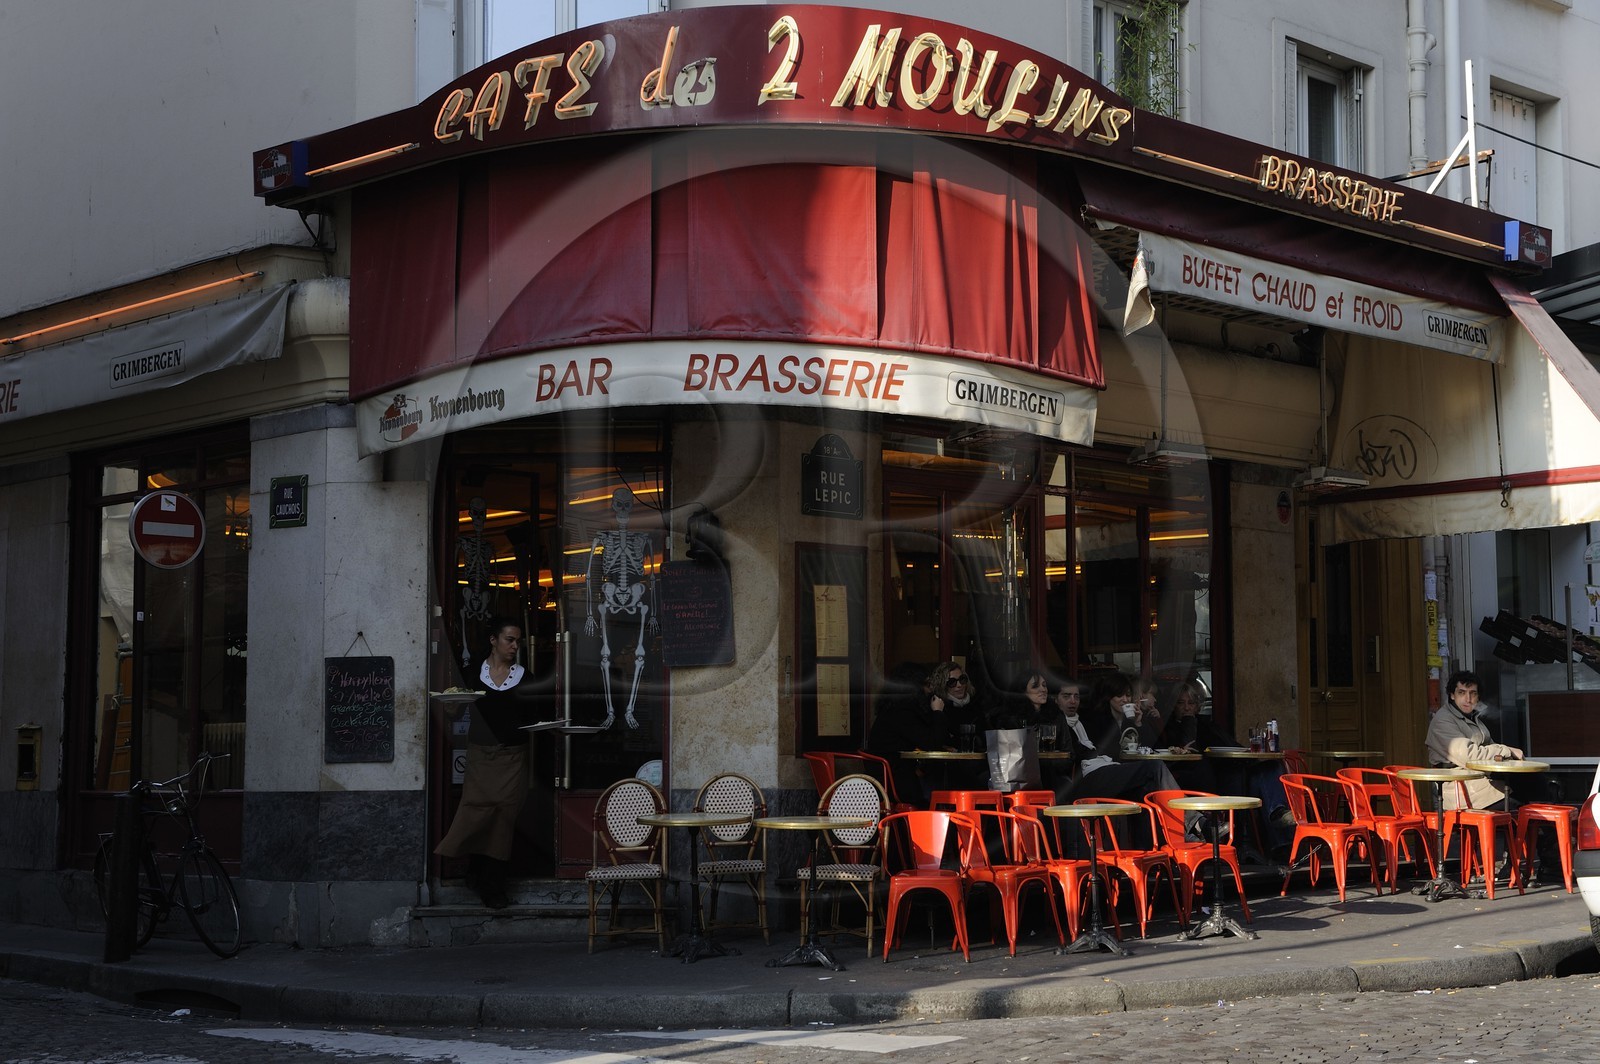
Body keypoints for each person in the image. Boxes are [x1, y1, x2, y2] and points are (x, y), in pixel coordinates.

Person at [435, 618, 534, 908]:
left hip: (512, 759)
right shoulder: (471, 674)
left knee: (502, 821)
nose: (515, 646)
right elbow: (454, 713)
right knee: (476, 815)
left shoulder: (526, 678)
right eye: (510, 640)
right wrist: (450, 705)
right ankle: (473, 871)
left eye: (518, 641)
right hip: (479, 758)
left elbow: (532, 719)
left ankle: (494, 888)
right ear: (494, 640)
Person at [1162, 680, 1295, 856]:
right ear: (1173, 706)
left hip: (1235, 772)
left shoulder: (1207, 724)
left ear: (1198, 706)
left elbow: (1231, 745)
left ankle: (1278, 817)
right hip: (1209, 782)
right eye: (1181, 703)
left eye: (1191, 703)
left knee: (1271, 766)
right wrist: (1189, 721)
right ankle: (1245, 842)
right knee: (1236, 775)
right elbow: (1188, 746)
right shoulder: (1170, 728)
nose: (1186, 708)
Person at [1425, 669, 1523, 811]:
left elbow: (1491, 747)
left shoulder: (1472, 719)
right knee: (1517, 803)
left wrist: (1507, 755)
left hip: (1479, 782)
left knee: (1531, 782)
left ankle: (1548, 828)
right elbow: (1469, 755)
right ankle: (1538, 830)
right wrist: (1507, 750)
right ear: (1452, 695)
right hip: (1460, 790)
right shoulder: (1443, 720)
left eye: (1473, 693)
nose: (1468, 699)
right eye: (1462, 692)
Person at [866, 661, 946, 802]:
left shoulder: (893, 709)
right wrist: (938, 712)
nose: (931, 689)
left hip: (885, 777)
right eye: (927, 684)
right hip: (895, 782)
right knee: (937, 782)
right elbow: (932, 744)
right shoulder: (902, 713)